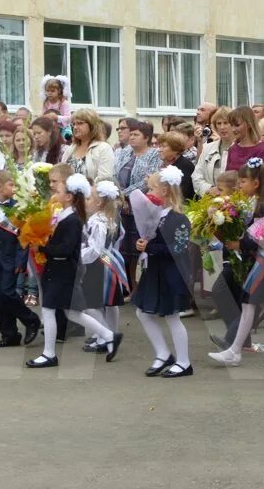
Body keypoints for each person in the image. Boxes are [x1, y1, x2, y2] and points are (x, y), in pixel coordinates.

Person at [26, 167, 122, 368]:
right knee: (72, 312)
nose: (55, 194)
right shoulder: (66, 216)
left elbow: (67, 249)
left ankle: (49, 353)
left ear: (69, 197)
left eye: (58, 191)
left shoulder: (72, 220)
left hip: (63, 271)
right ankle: (108, 334)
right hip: (59, 270)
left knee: (50, 310)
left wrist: (42, 247)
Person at [208, 158, 264, 367]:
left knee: (250, 303)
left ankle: (234, 351)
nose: (239, 186)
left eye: (242, 182)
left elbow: (263, 237)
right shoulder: (253, 203)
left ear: (256, 183)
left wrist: (239, 243)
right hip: (257, 261)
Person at [133, 167, 194, 378]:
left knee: (172, 316)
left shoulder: (178, 218)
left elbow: (177, 249)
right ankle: (162, 353)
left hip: (172, 274)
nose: (148, 193)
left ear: (166, 190)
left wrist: (148, 247)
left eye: (152, 188)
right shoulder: (156, 215)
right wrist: (143, 243)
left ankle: (184, 362)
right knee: (142, 312)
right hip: (155, 271)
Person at [0, 170, 40, 348]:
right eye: (10, 185)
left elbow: (22, 237)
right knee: (1, 298)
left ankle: (31, 319)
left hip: (11, 259)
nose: (14, 188)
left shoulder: (19, 208)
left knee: (7, 293)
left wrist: (21, 262)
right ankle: (9, 334)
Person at [114, 121, 161, 295]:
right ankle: (129, 285)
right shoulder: (124, 152)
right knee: (124, 248)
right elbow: (114, 174)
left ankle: (140, 288)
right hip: (122, 207)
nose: (131, 137)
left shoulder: (154, 154)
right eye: (131, 134)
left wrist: (125, 195)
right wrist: (120, 196)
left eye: (136, 135)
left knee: (138, 249)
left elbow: (147, 180)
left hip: (141, 208)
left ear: (146, 138)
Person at [81, 180, 128, 352]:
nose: (85, 201)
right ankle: (109, 334)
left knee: (93, 304)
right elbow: (120, 235)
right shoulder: (111, 218)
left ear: (99, 202)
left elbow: (95, 249)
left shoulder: (96, 222)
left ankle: (105, 336)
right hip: (110, 261)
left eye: (88, 198)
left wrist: (78, 257)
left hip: (98, 265)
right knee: (109, 302)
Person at [62, 108, 114, 182]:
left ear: (92, 125)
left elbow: (104, 178)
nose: (75, 127)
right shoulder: (71, 148)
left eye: (80, 123)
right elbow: (61, 173)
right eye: (73, 124)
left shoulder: (104, 148)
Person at [192, 106, 233, 196]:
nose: (222, 127)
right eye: (219, 123)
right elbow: (196, 176)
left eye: (226, 123)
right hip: (210, 199)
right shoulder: (207, 148)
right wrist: (209, 189)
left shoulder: (240, 148)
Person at [225, 106, 264, 171]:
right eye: (231, 125)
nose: (233, 129)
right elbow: (227, 176)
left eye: (237, 125)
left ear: (249, 124)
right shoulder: (232, 149)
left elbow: (262, 177)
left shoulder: (262, 150)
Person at [156, 131, 195, 201]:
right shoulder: (163, 164)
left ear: (175, 149)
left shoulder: (185, 166)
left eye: (163, 146)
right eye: (159, 146)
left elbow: (181, 194)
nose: (159, 150)